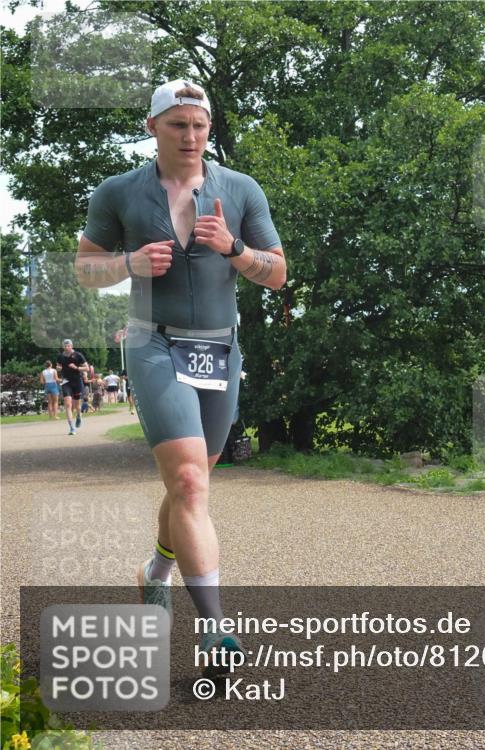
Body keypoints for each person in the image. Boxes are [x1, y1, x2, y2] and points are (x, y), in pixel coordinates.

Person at [74, 79, 286, 674]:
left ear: (208, 128)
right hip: (154, 343)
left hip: (220, 350)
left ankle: (157, 571)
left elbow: (277, 274)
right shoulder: (118, 191)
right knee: (191, 483)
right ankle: (216, 633)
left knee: (190, 483)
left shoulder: (240, 189)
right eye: (177, 124)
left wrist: (235, 250)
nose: (190, 136)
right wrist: (128, 263)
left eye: (199, 125)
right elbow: (85, 268)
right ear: (152, 127)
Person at [55, 340, 87, 435]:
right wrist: (58, 368)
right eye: (65, 346)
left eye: (68, 346)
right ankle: (72, 428)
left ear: (72, 346)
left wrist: (76, 368)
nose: (66, 347)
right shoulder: (60, 356)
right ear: (63, 347)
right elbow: (58, 366)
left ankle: (79, 416)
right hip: (66, 381)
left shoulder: (78, 355)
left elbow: (87, 368)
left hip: (77, 381)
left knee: (77, 406)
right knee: (68, 405)